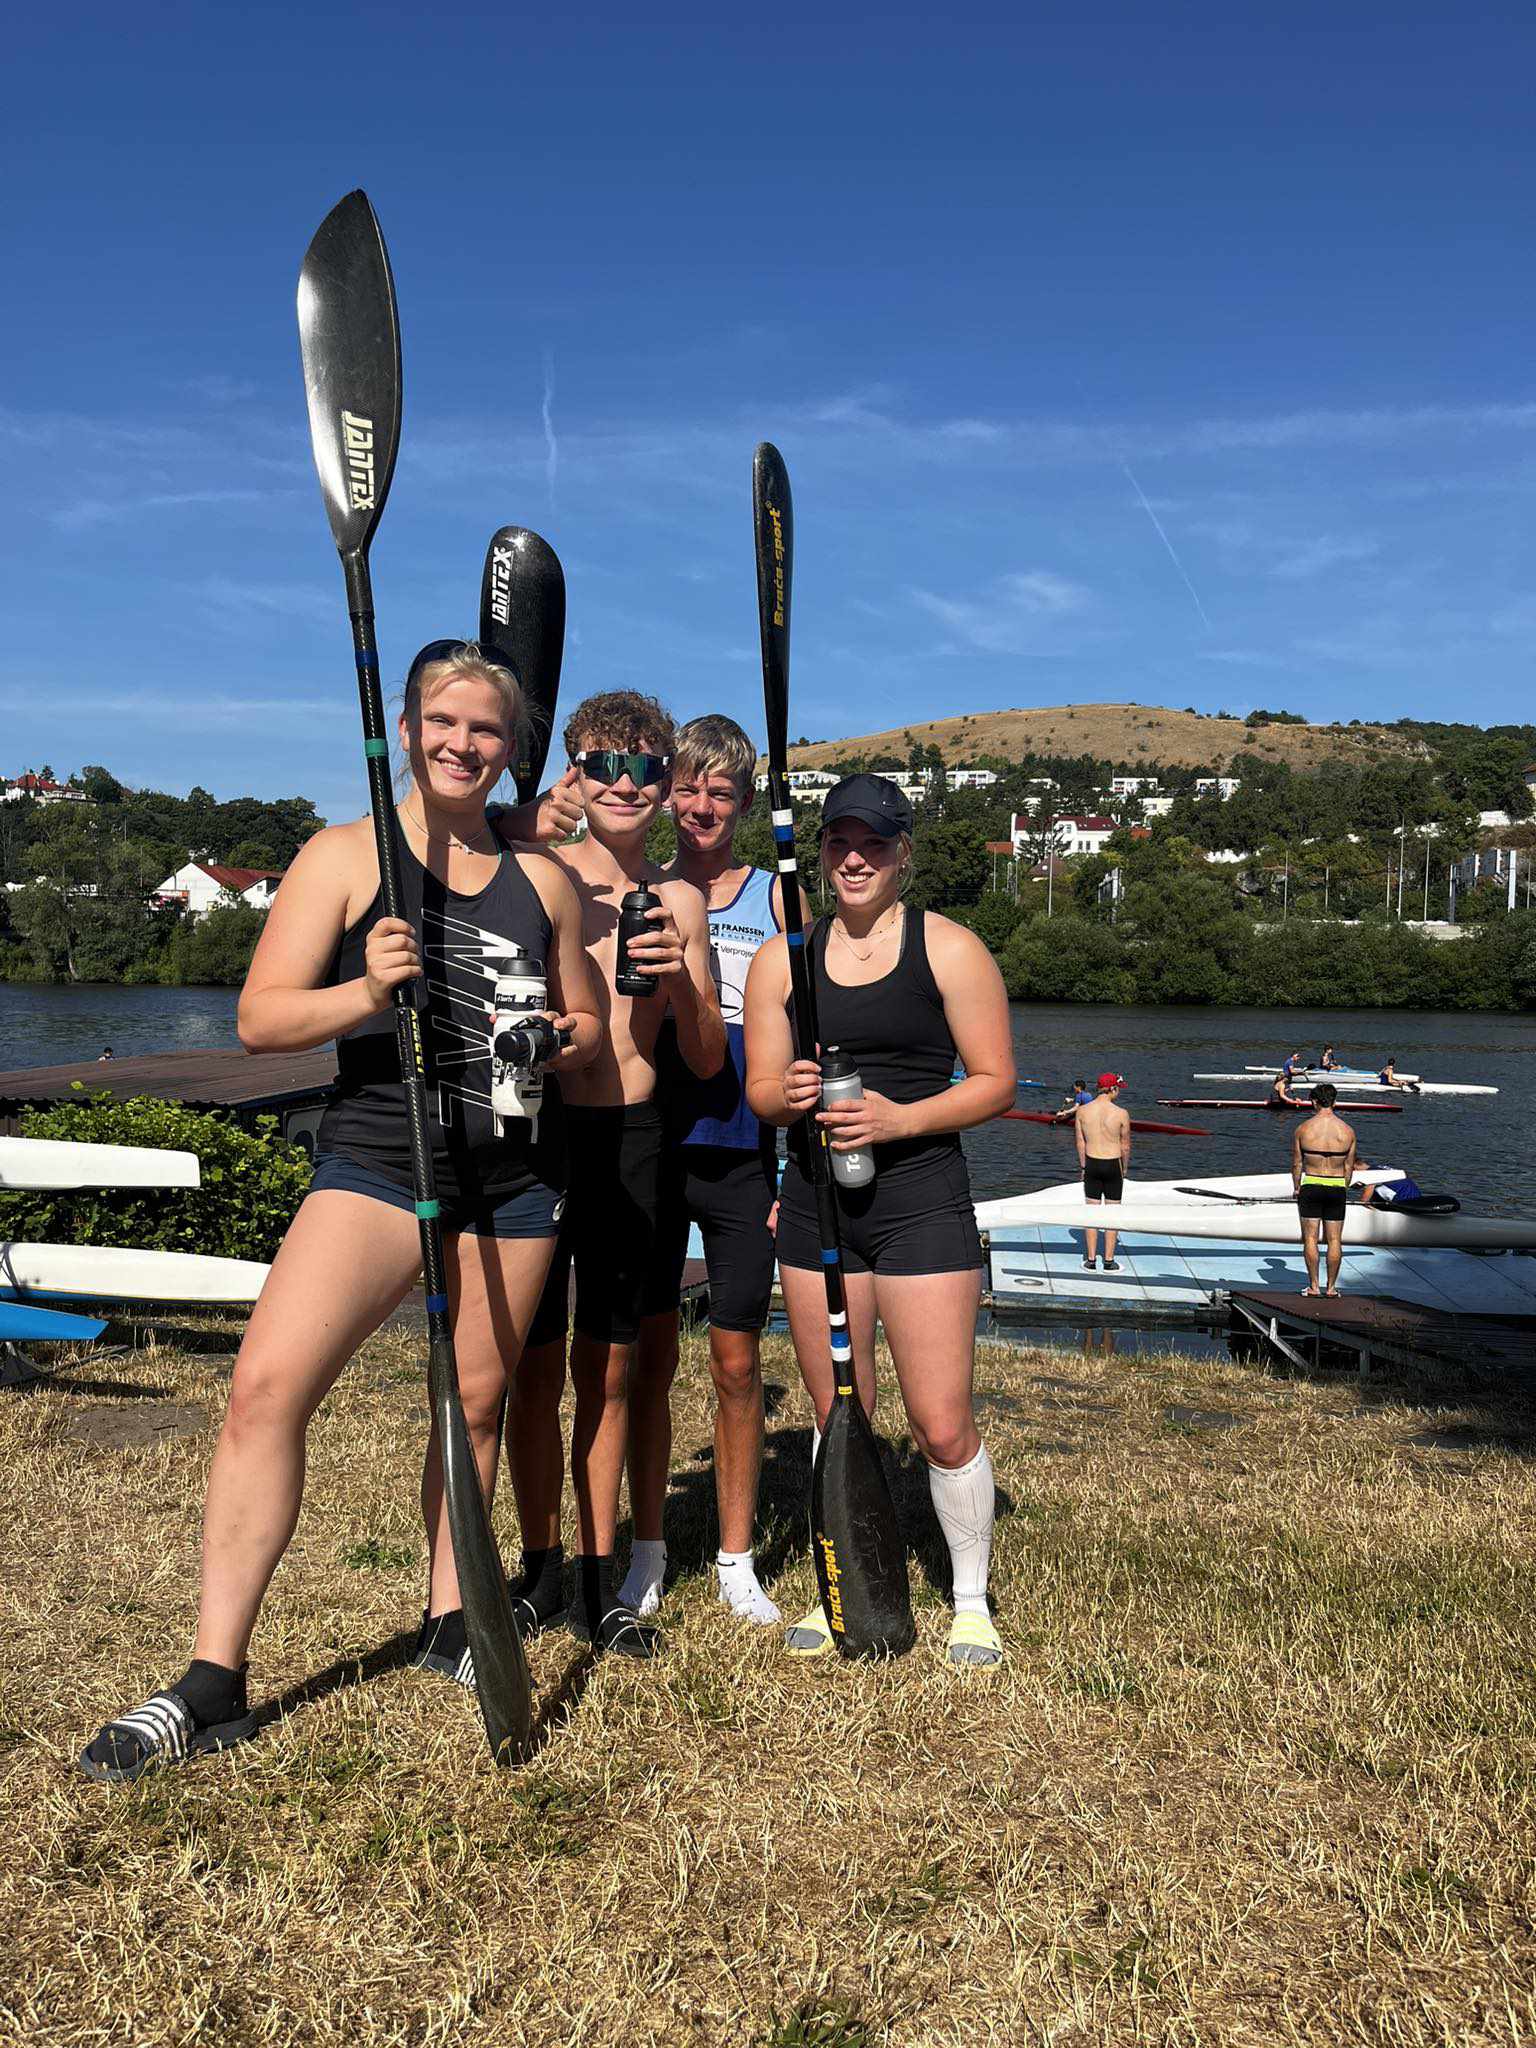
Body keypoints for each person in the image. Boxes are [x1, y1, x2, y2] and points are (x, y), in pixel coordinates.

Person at [79, 640, 601, 1780]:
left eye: (487, 728)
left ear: (510, 748)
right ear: (405, 730)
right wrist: (366, 988)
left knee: (473, 1405)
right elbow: (260, 1020)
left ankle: (451, 1620)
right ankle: (214, 1676)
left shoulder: (547, 880)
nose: (463, 743)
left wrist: (564, 1039)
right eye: (443, 722)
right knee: (266, 1390)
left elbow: (591, 1024)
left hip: (515, 1174)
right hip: (376, 1157)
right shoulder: (345, 855)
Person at [743, 773, 1017, 1667]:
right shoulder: (782, 960)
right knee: (838, 1416)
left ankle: (969, 1602)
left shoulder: (951, 949)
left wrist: (901, 1121)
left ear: (904, 854)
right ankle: (844, 1584)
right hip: (816, 1207)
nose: (855, 859)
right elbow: (759, 1091)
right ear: (820, 852)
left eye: (875, 844)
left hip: (919, 1203)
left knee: (940, 1423)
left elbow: (995, 1083)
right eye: (839, 842)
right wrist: (786, 1094)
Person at [497, 691, 726, 1660]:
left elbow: (707, 1058)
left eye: (644, 768)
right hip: (537, 1133)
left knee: (612, 1367)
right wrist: (522, 821)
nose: (624, 785)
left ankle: (600, 1585)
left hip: (635, 1135)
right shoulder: (533, 874)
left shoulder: (681, 900)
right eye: (604, 765)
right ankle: (539, 1570)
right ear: (576, 774)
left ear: (666, 784)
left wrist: (681, 977)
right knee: (531, 1366)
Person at [629, 715, 809, 1626]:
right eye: (688, 787)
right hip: (654, 1148)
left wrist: (799, 1173)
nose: (701, 806)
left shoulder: (777, 898)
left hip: (743, 1156)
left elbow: (814, 1037)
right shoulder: (642, 887)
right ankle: (647, 1550)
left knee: (737, 1363)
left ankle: (736, 1560)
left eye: (721, 792)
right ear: (667, 792)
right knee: (649, 1359)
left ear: (742, 804)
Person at [1292, 1081, 1357, 1297]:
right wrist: (1343, 1187)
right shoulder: (1347, 1131)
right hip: (1336, 1186)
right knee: (1335, 1240)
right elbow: (1349, 1166)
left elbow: (1297, 1164)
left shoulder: (1303, 1129)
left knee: (1310, 1238)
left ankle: (1314, 1286)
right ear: (1334, 1102)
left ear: (1314, 1102)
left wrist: (1297, 1187)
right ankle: (1331, 1288)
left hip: (1311, 1184)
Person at [1077, 1073, 1131, 1271]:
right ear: (1112, 1089)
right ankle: (1109, 1261)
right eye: (1118, 1089)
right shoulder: (1121, 1113)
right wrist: (1124, 1168)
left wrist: (1083, 1167)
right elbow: (1125, 1146)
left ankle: (1091, 1260)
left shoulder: (1082, 1111)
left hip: (1092, 1163)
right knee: (1112, 1213)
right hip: (1113, 1164)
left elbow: (1080, 1143)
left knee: (1091, 1213)